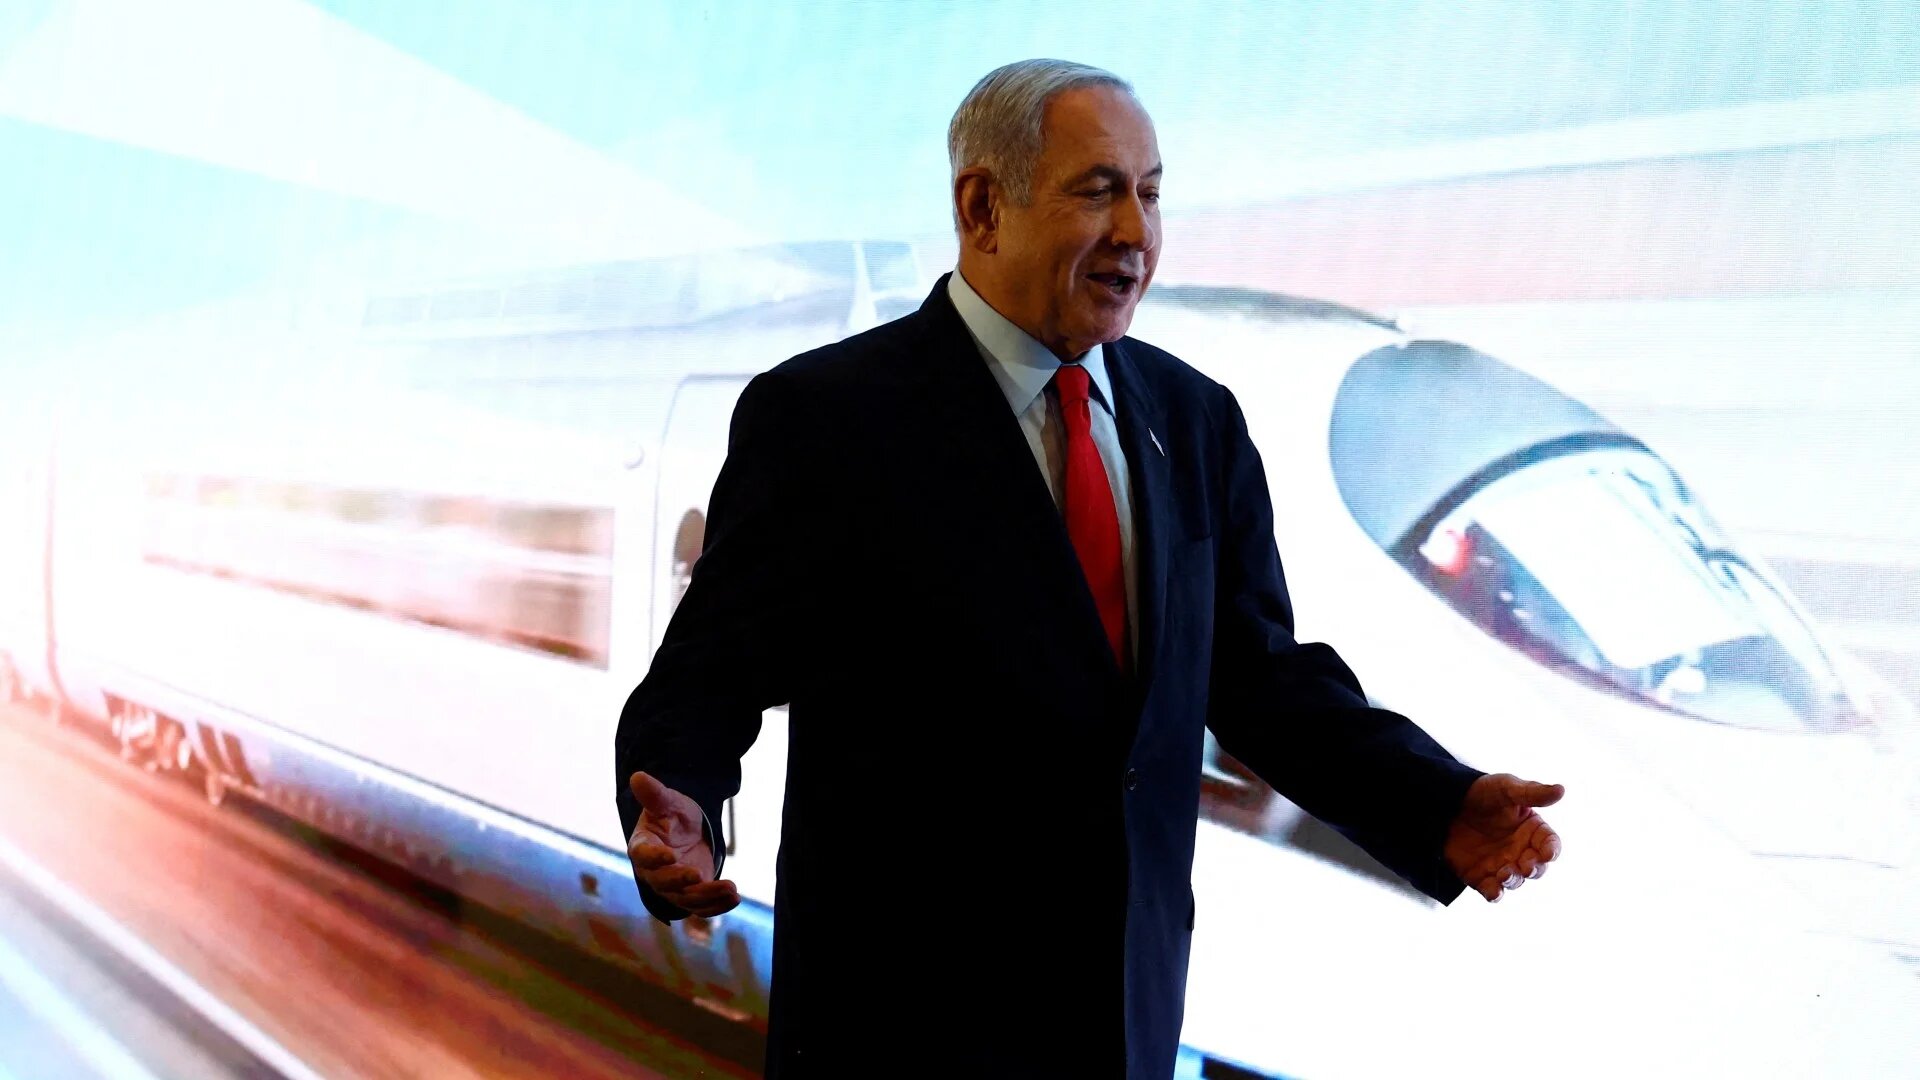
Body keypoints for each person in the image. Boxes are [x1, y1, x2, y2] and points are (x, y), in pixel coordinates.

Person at [616, 58, 1564, 1079]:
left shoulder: (1195, 422)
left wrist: (1433, 801)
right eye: (1099, 190)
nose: (1136, 234)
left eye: (1151, 194)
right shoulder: (830, 419)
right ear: (983, 207)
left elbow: (1258, 677)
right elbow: (711, 674)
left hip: (1120, 1020)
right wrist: (677, 800)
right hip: (898, 1027)